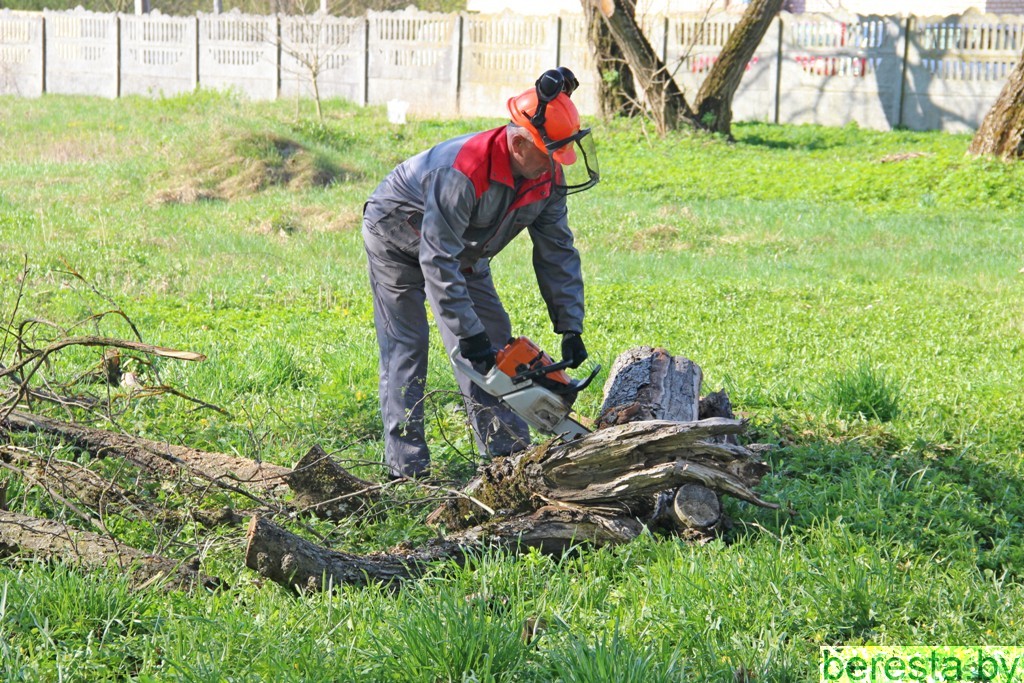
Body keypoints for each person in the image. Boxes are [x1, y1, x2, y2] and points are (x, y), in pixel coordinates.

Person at [361, 67, 600, 479]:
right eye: (550, 154)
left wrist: (570, 324)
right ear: (520, 143)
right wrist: (467, 334)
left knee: (493, 345)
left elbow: (557, 250)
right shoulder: (463, 171)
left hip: (463, 249)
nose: (556, 165)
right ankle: (406, 469)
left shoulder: (547, 176)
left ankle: (507, 457)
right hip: (396, 236)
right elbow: (437, 261)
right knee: (407, 347)